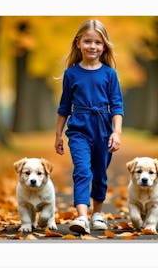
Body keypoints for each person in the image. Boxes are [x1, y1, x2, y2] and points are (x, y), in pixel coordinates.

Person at [54, 19, 124, 234]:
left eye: (97, 42)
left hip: (103, 129)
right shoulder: (71, 74)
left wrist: (117, 132)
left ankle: (98, 214)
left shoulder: (110, 74)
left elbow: (117, 105)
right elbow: (64, 106)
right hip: (79, 130)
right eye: (87, 41)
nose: (92, 46)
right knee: (83, 171)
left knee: (99, 173)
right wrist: (58, 135)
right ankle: (82, 217)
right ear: (78, 43)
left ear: (104, 46)